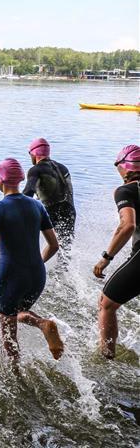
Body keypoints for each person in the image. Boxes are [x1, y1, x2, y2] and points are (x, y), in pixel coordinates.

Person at [0, 158, 64, 362]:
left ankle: (16, 371)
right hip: (37, 275)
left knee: (8, 331)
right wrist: (37, 263)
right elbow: (54, 245)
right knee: (18, 312)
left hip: (12, 276)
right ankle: (43, 324)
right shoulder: (37, 205)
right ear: (20, 179)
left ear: (0, 180)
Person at [93, 144, 140, 359]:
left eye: (117, 166)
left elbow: (127, 225)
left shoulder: (126, 191)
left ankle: (107, 358)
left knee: (107, 303)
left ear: (125, 167)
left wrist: (106, 258)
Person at [23, 138, 76, 247]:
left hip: (51, 212)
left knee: (48, 243)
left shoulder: (35, 170)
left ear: (33, 153)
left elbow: (28, 193)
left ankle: (32, 257)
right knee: (65, 247)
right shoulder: (63, 168)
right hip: (70, 211)